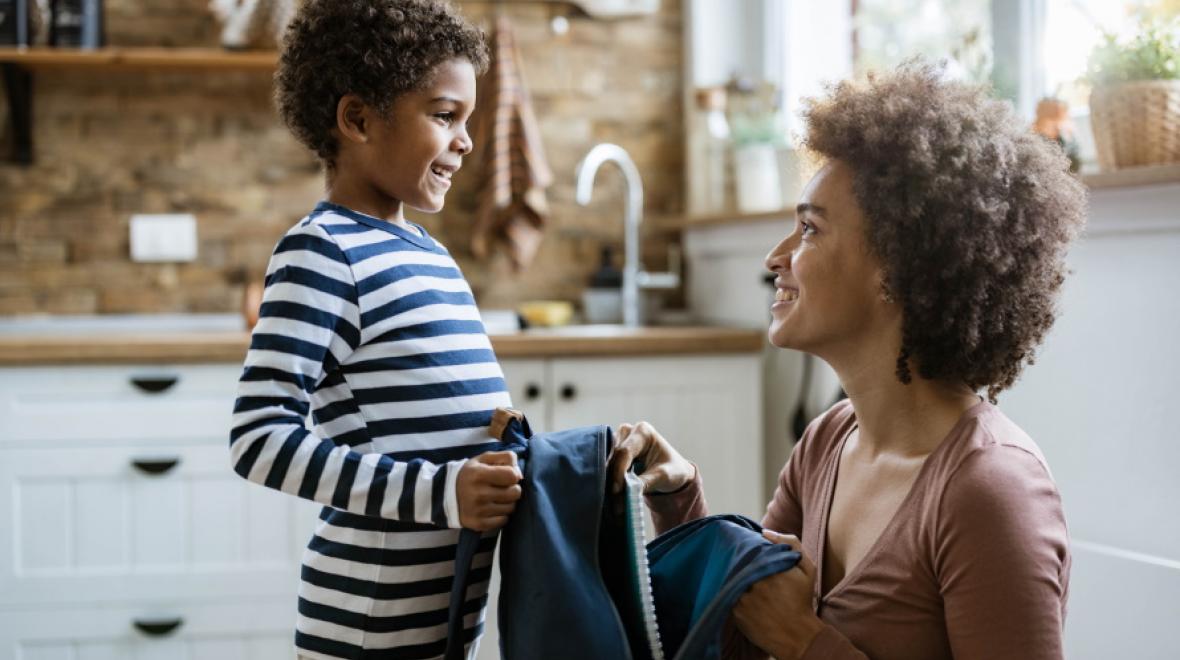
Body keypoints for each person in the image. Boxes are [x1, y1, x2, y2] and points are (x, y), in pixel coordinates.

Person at [609, 61, 1085, 660]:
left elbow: (784, 633)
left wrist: (806, 642)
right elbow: (747, 624)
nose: (775, 257)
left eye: (809, 229)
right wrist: (677, 503)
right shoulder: (828, 442)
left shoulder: (991, 490)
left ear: (896, 269)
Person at [228, 2, 523, 658]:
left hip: (445, 619)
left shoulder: (429, 253)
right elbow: (258, 437)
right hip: (365, 621)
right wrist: (441, 491)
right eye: (445, 116)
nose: (466, 141)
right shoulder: (323, 250)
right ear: (358, 118)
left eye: (468, 121)